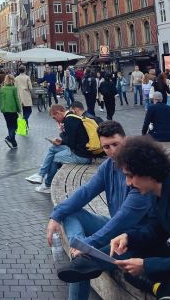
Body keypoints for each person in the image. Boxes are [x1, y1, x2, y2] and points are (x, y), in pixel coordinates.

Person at [48, 121, 153, 300]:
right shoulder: (108, 166)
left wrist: (88, 246)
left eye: (115, 144)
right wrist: (56, 215)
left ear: (126, 141)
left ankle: (80, 251)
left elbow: (123, 220)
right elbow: (85, 192)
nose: (112, 151)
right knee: (69, 212)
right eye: (106, 147)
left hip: (134, 240)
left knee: (80, 264)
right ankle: (78, 245)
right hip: (113, 228)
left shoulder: (140, 173)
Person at [26, 104, 93, 193]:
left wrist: (62, 134)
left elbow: (71, 143)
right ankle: (40, 175)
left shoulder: (69, 120)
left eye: (54, 117)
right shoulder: (71, 117)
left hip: (82, 156)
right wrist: (61, 141)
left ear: (58, 113)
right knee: (53, 148)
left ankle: (47, 184)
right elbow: (73, 140)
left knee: (55, 158)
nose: (55, 120)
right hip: (82, 151)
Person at [0, 74, 22, 150]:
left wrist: (2, 108)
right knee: (15, 126)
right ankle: (9, 138)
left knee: (9, 125)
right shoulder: (13, 88)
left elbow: (1, 100)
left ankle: (13, 143)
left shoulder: (2, 88)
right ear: (12, 80)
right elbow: (17, 100)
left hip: (5, 110)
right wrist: (19, 110)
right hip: (12, 110)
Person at [14, 65, 33, 131]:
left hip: (19, 96)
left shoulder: (16, 78)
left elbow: (15, 88)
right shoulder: (27, 77)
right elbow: (30, 88)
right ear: (25, 70)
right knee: (29, 111)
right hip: (26, 96)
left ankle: (25, 127)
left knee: (23, 111)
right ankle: (24, 121)